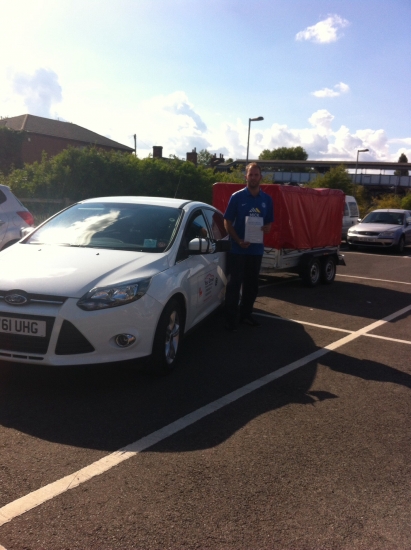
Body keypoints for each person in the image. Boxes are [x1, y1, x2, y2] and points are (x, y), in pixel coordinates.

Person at [223, 162, 273, 331]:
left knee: (252, 285)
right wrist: (237, 240)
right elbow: (227, 221)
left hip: (255, 250)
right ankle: (230, 319)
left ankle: (246, 315)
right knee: (234, 284)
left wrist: (267, 228)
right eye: (250, 175)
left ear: (261, 177)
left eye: (256, 175)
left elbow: (269, 223)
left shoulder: (267, 200)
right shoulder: (236, 197)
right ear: (246, 177)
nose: (253, 178)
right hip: (238, 249)